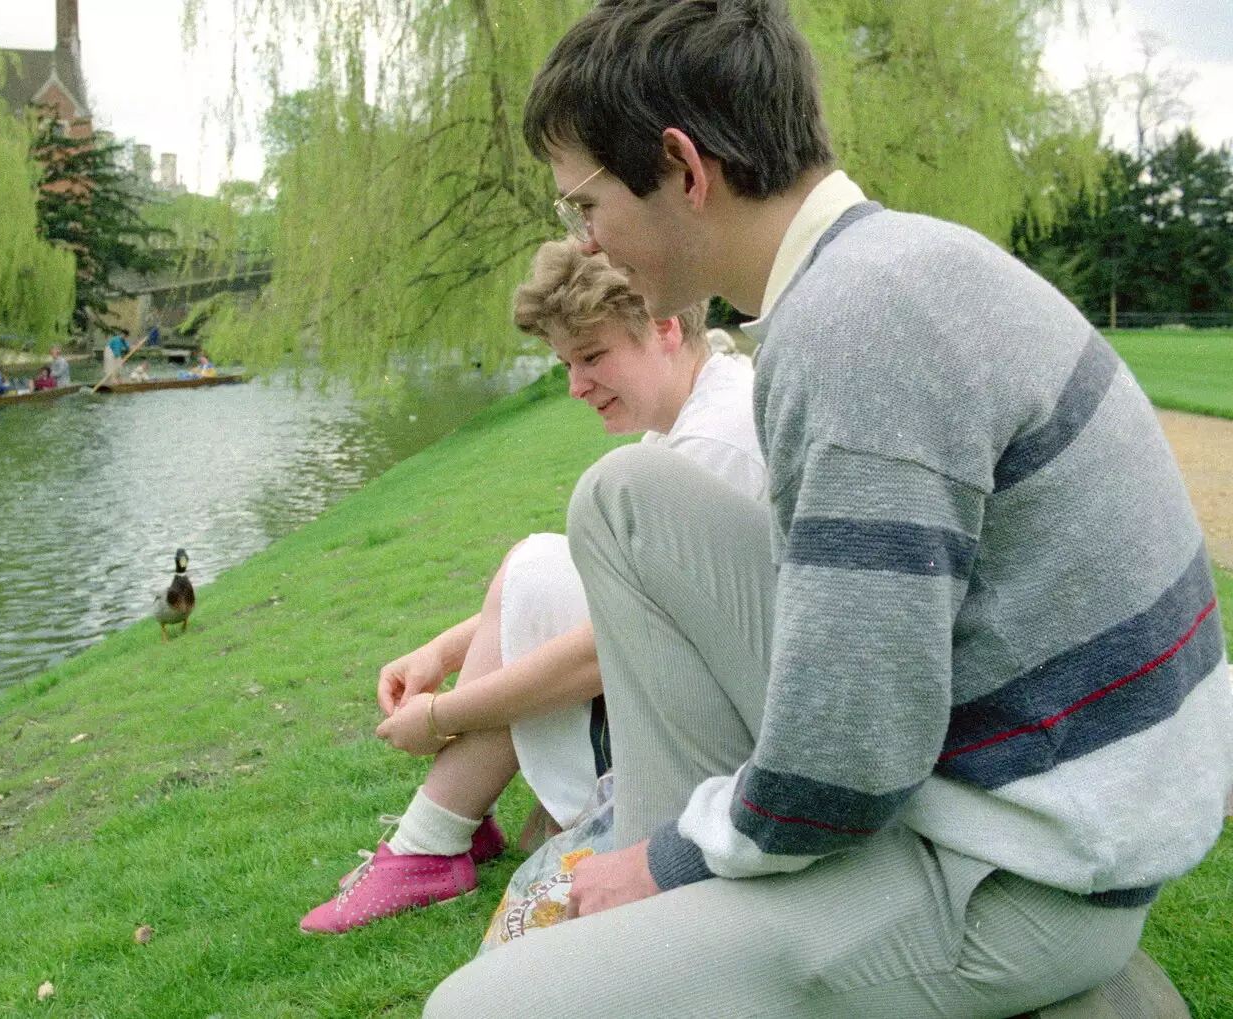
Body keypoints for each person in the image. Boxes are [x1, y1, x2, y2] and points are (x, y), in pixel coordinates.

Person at [425, 2, 1232, 1016]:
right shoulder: (877, 268)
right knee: (626, 498)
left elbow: (852, 751)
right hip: (998, 766)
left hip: (1034, 864)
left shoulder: (855, 326)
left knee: (479, 1008)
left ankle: (1075, 983)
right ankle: (704, 910)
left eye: (585, 204)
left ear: (682, 168)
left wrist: (671, 861)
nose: (583, 238)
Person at [300, 239, 767, 935]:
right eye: (566, 363)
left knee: (537, 567)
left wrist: (443, 715)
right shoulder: (694, 411)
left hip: (723, 751)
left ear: (666, 328)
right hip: (702, 698)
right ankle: (451, 827)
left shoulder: (716, 443)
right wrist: (441, 652)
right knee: (539, 562)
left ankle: (432, 840)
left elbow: (604, 647)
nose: (576, 385)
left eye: (593, 357)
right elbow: (607, 585)